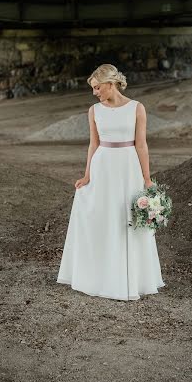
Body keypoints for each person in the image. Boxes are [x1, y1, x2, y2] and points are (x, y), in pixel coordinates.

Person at [56, 63, 165, 301]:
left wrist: (147, 179)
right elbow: (93, 144)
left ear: (110, 84)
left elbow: (142, 145)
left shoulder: (137, 108)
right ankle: (99, 276)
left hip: (128, 167)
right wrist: (86, 175)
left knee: (129, 218)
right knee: (102, 217)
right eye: (93, 89)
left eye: (97, 88)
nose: (95, 93)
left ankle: (132, 279)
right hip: (102, 166)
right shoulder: (94, 110)